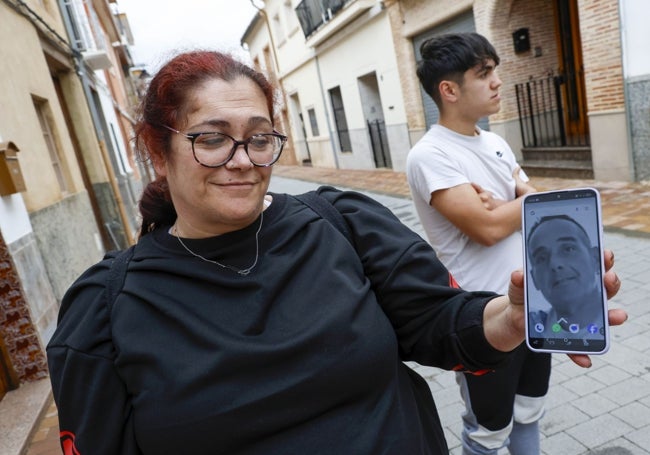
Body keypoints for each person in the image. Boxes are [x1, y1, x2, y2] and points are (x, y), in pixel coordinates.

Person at [46, 50, 624, 455]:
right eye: (213, 138)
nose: (243, 158)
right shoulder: (105, 312)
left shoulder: (340, 224)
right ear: (158, 148)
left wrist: (510, 316)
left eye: (259, 136)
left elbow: (439, 322)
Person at [406, 32, 549, 455]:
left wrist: (507, 206)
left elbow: (538, 203)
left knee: (529, 410)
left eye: (495, 71)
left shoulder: (497, 143)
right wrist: (515, 203)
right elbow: (485, 229)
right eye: (483, 73)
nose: (497, 81)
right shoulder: (430, 155)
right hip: (482, 316)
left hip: (534, 302)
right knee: (488, 430)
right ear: (448, 90)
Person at [527, 214, 606, 338]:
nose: (554, 263)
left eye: (568, 249)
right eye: (541, 258)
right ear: (534, 279)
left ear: (595, 259)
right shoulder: (529, 330)